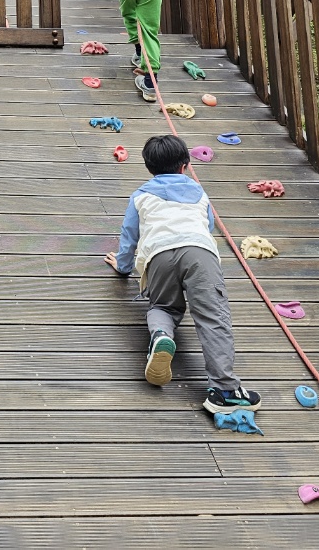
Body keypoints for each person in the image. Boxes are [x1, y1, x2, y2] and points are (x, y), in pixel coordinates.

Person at [104, 135, 261, 415]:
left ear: (149, 167)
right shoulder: (199, 193)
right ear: (185, 166)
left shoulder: (140, 195)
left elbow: (129, 237)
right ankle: (223, 390)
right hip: (199, 252)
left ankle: (162, 335)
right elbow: (208, 227)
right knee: (213, 316)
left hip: (158, 255)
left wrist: (123, 266)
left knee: (163, 305)